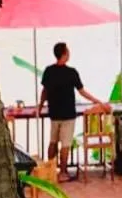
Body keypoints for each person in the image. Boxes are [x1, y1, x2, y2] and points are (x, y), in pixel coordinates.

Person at [38, 42, 109, 181]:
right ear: (64, 54)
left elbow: (44, 91)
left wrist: (40, 107)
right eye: (68, 51)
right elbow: (82, 92)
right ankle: (63, 173)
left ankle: (50, 171)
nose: (69, 53)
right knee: (65, 144)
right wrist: (98, 101)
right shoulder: (71, 72)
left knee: (52, 142)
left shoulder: (48, 71)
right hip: (68, 113)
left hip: (54, 112)